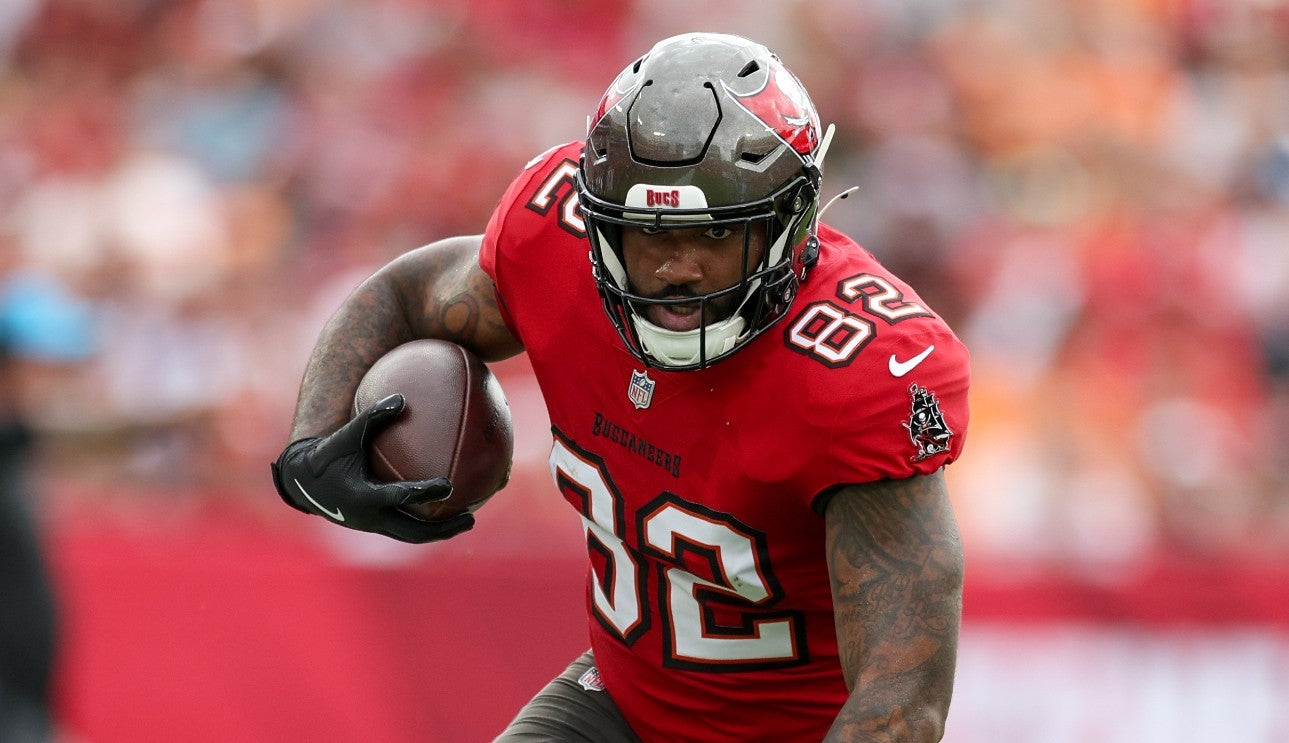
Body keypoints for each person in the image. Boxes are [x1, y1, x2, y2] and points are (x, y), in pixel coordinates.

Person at [272, 32, 970, 742]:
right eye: (649, 233)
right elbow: (410, 292)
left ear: (784, 224)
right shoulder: (556, 243)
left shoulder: (857, 369)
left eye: (712, 235)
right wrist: (309, 445)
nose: (677, 268)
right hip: (619, 705)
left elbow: (900, 702)